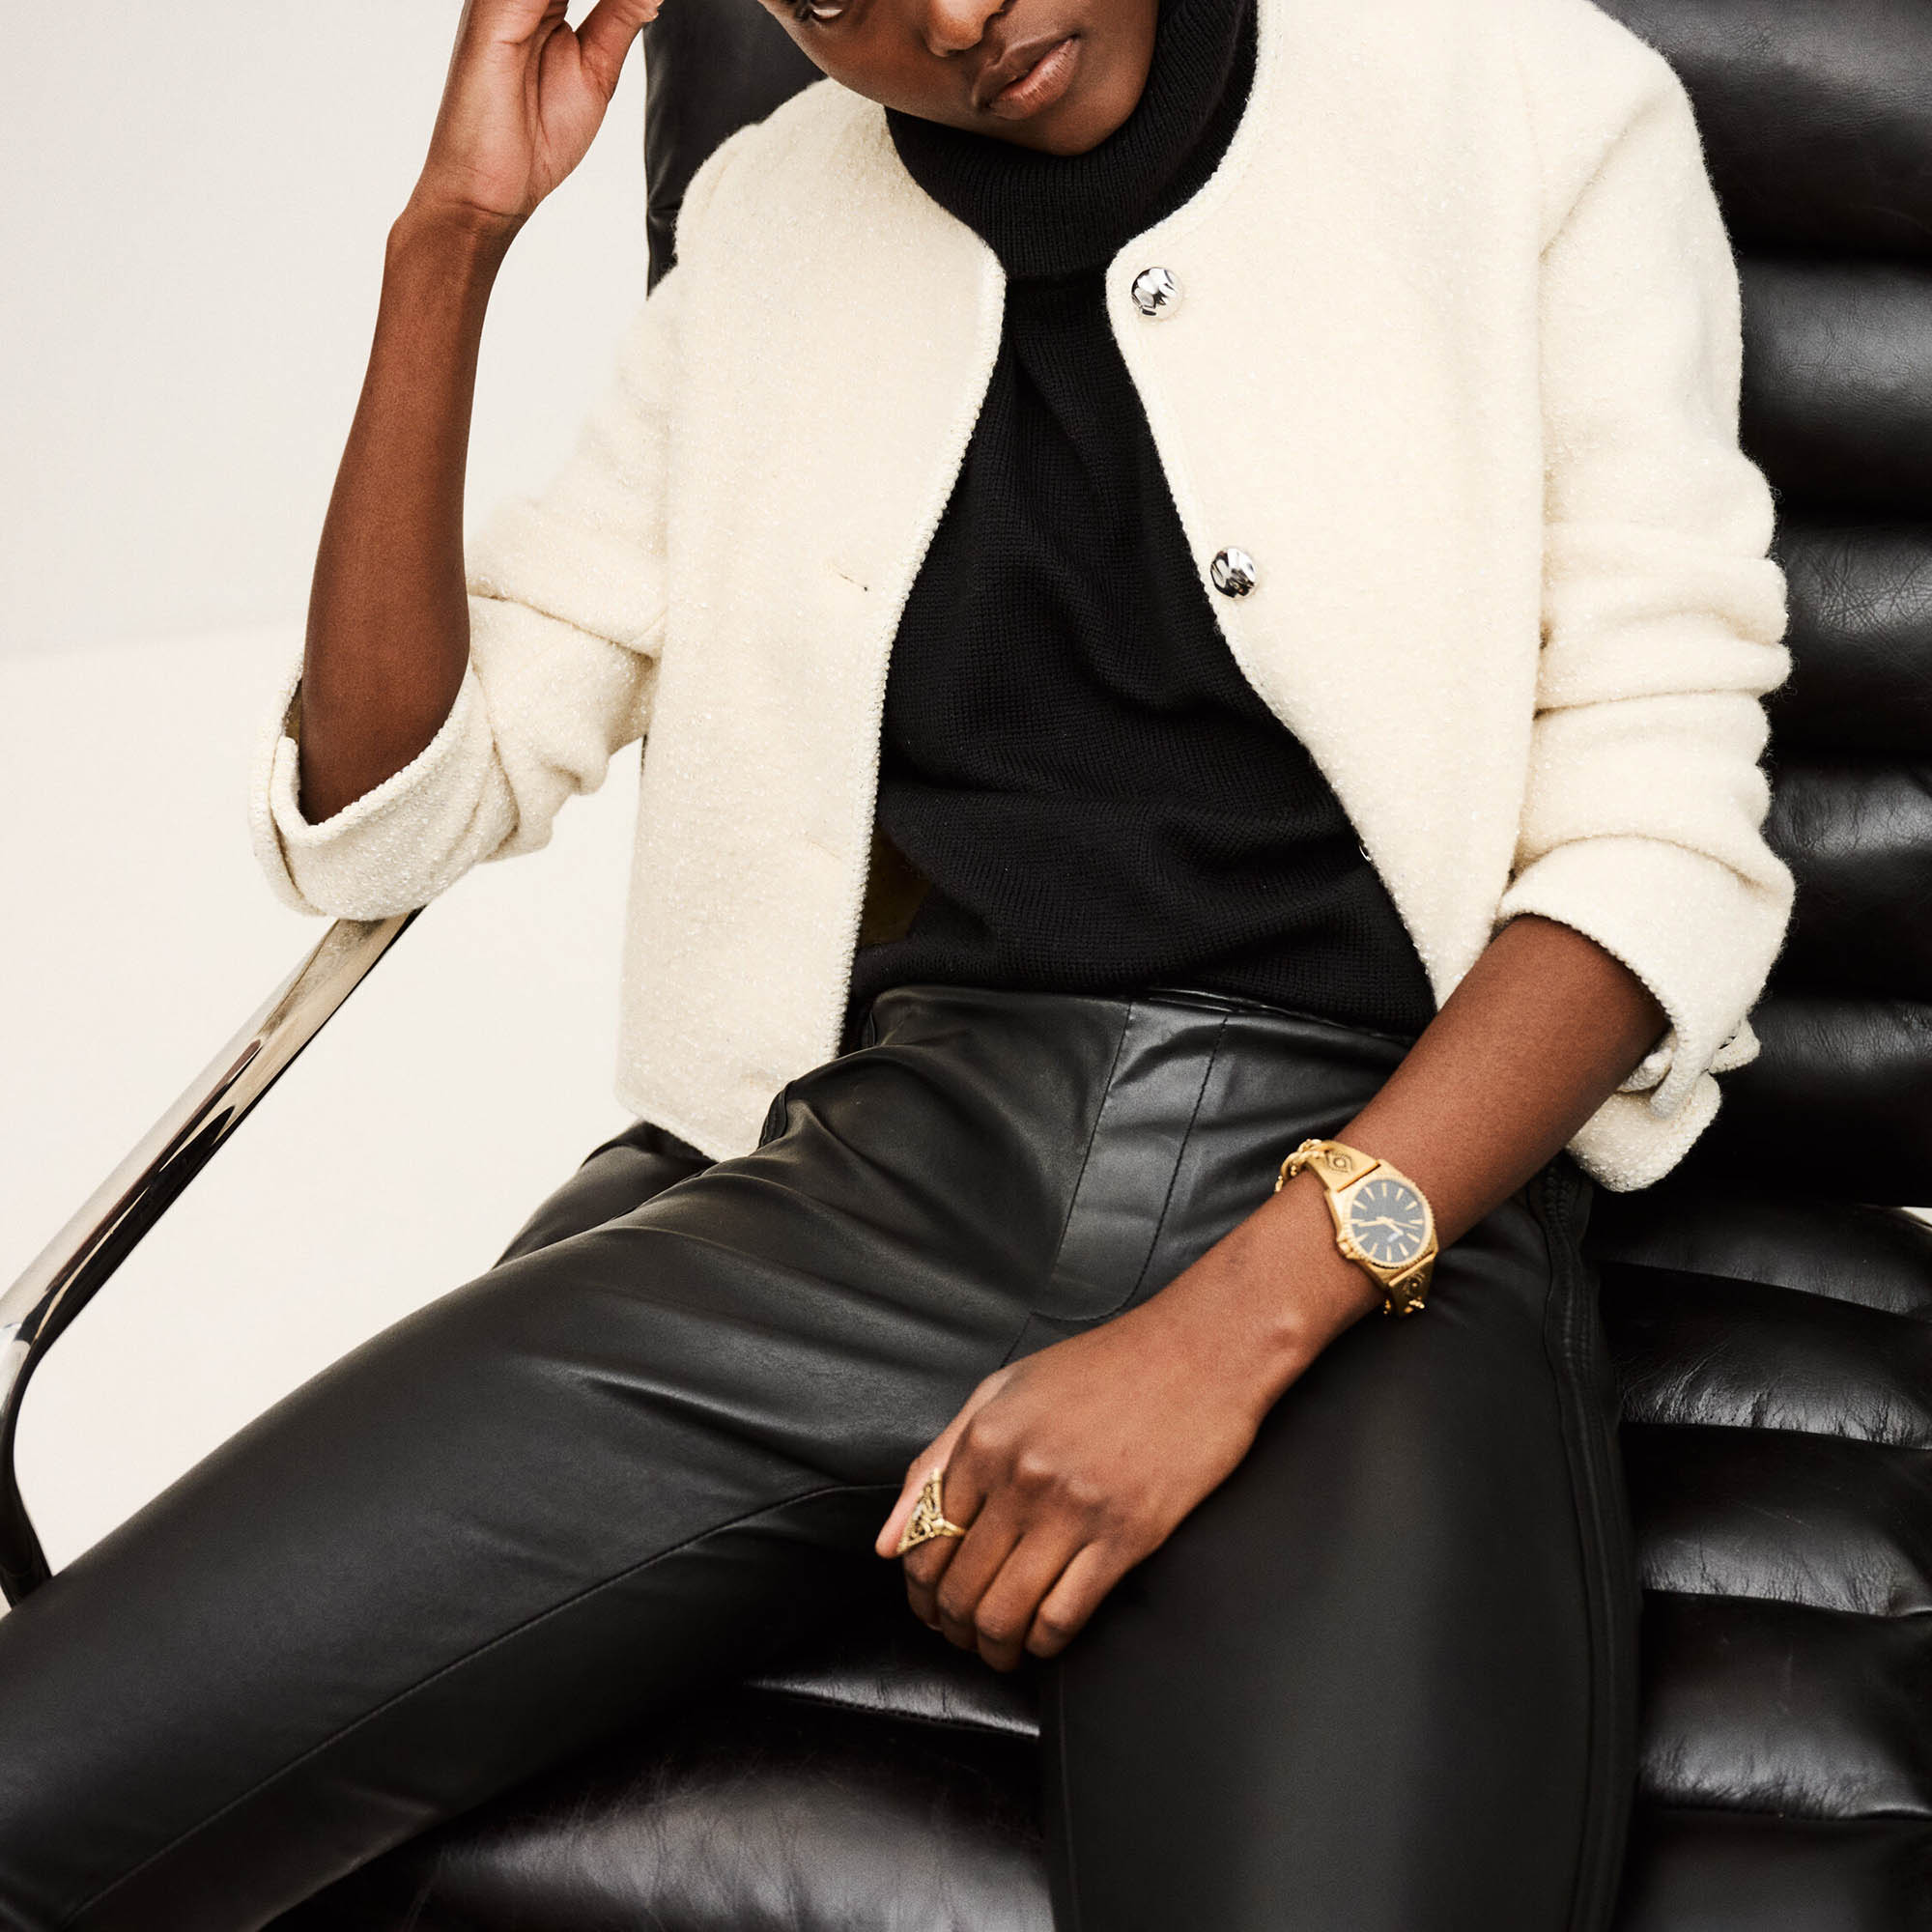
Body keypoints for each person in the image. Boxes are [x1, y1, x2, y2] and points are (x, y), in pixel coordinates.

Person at [0, 0, 1793, 1924]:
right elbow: (394, 813)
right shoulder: (766, 222)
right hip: (876, 1175)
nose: (952, 20)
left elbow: (1660, 839)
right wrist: (448, 245)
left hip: (1386, 1181)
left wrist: (1237, 1323)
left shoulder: (1521, 105)